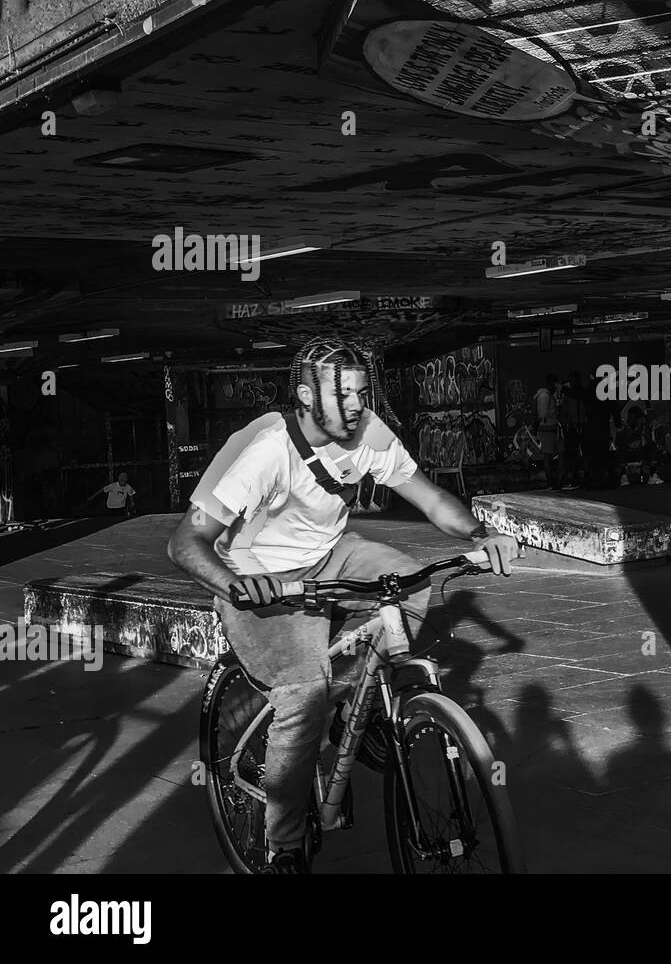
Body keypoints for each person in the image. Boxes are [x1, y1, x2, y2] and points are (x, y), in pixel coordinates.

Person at [167, 337, 521, 874]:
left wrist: (481, 533)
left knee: (410, 581)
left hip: (331, 555)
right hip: (257, 575)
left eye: (362, 392)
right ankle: (283, 843)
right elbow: (184, 543)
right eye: (346, 395)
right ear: (307, 396)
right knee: (305, 692)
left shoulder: (368, 434)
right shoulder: (266, 449)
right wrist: (238, 586)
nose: (358, 405)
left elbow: (426, 496)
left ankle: (360, 709)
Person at [534, 373, 561, 489]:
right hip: (547, 428)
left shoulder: (546, 395)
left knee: (549, 455)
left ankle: (551, 479)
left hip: (549, 428)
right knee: (548, 456)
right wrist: (555, 411)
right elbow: (542, 413)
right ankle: (550, 480)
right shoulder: (545, 396)